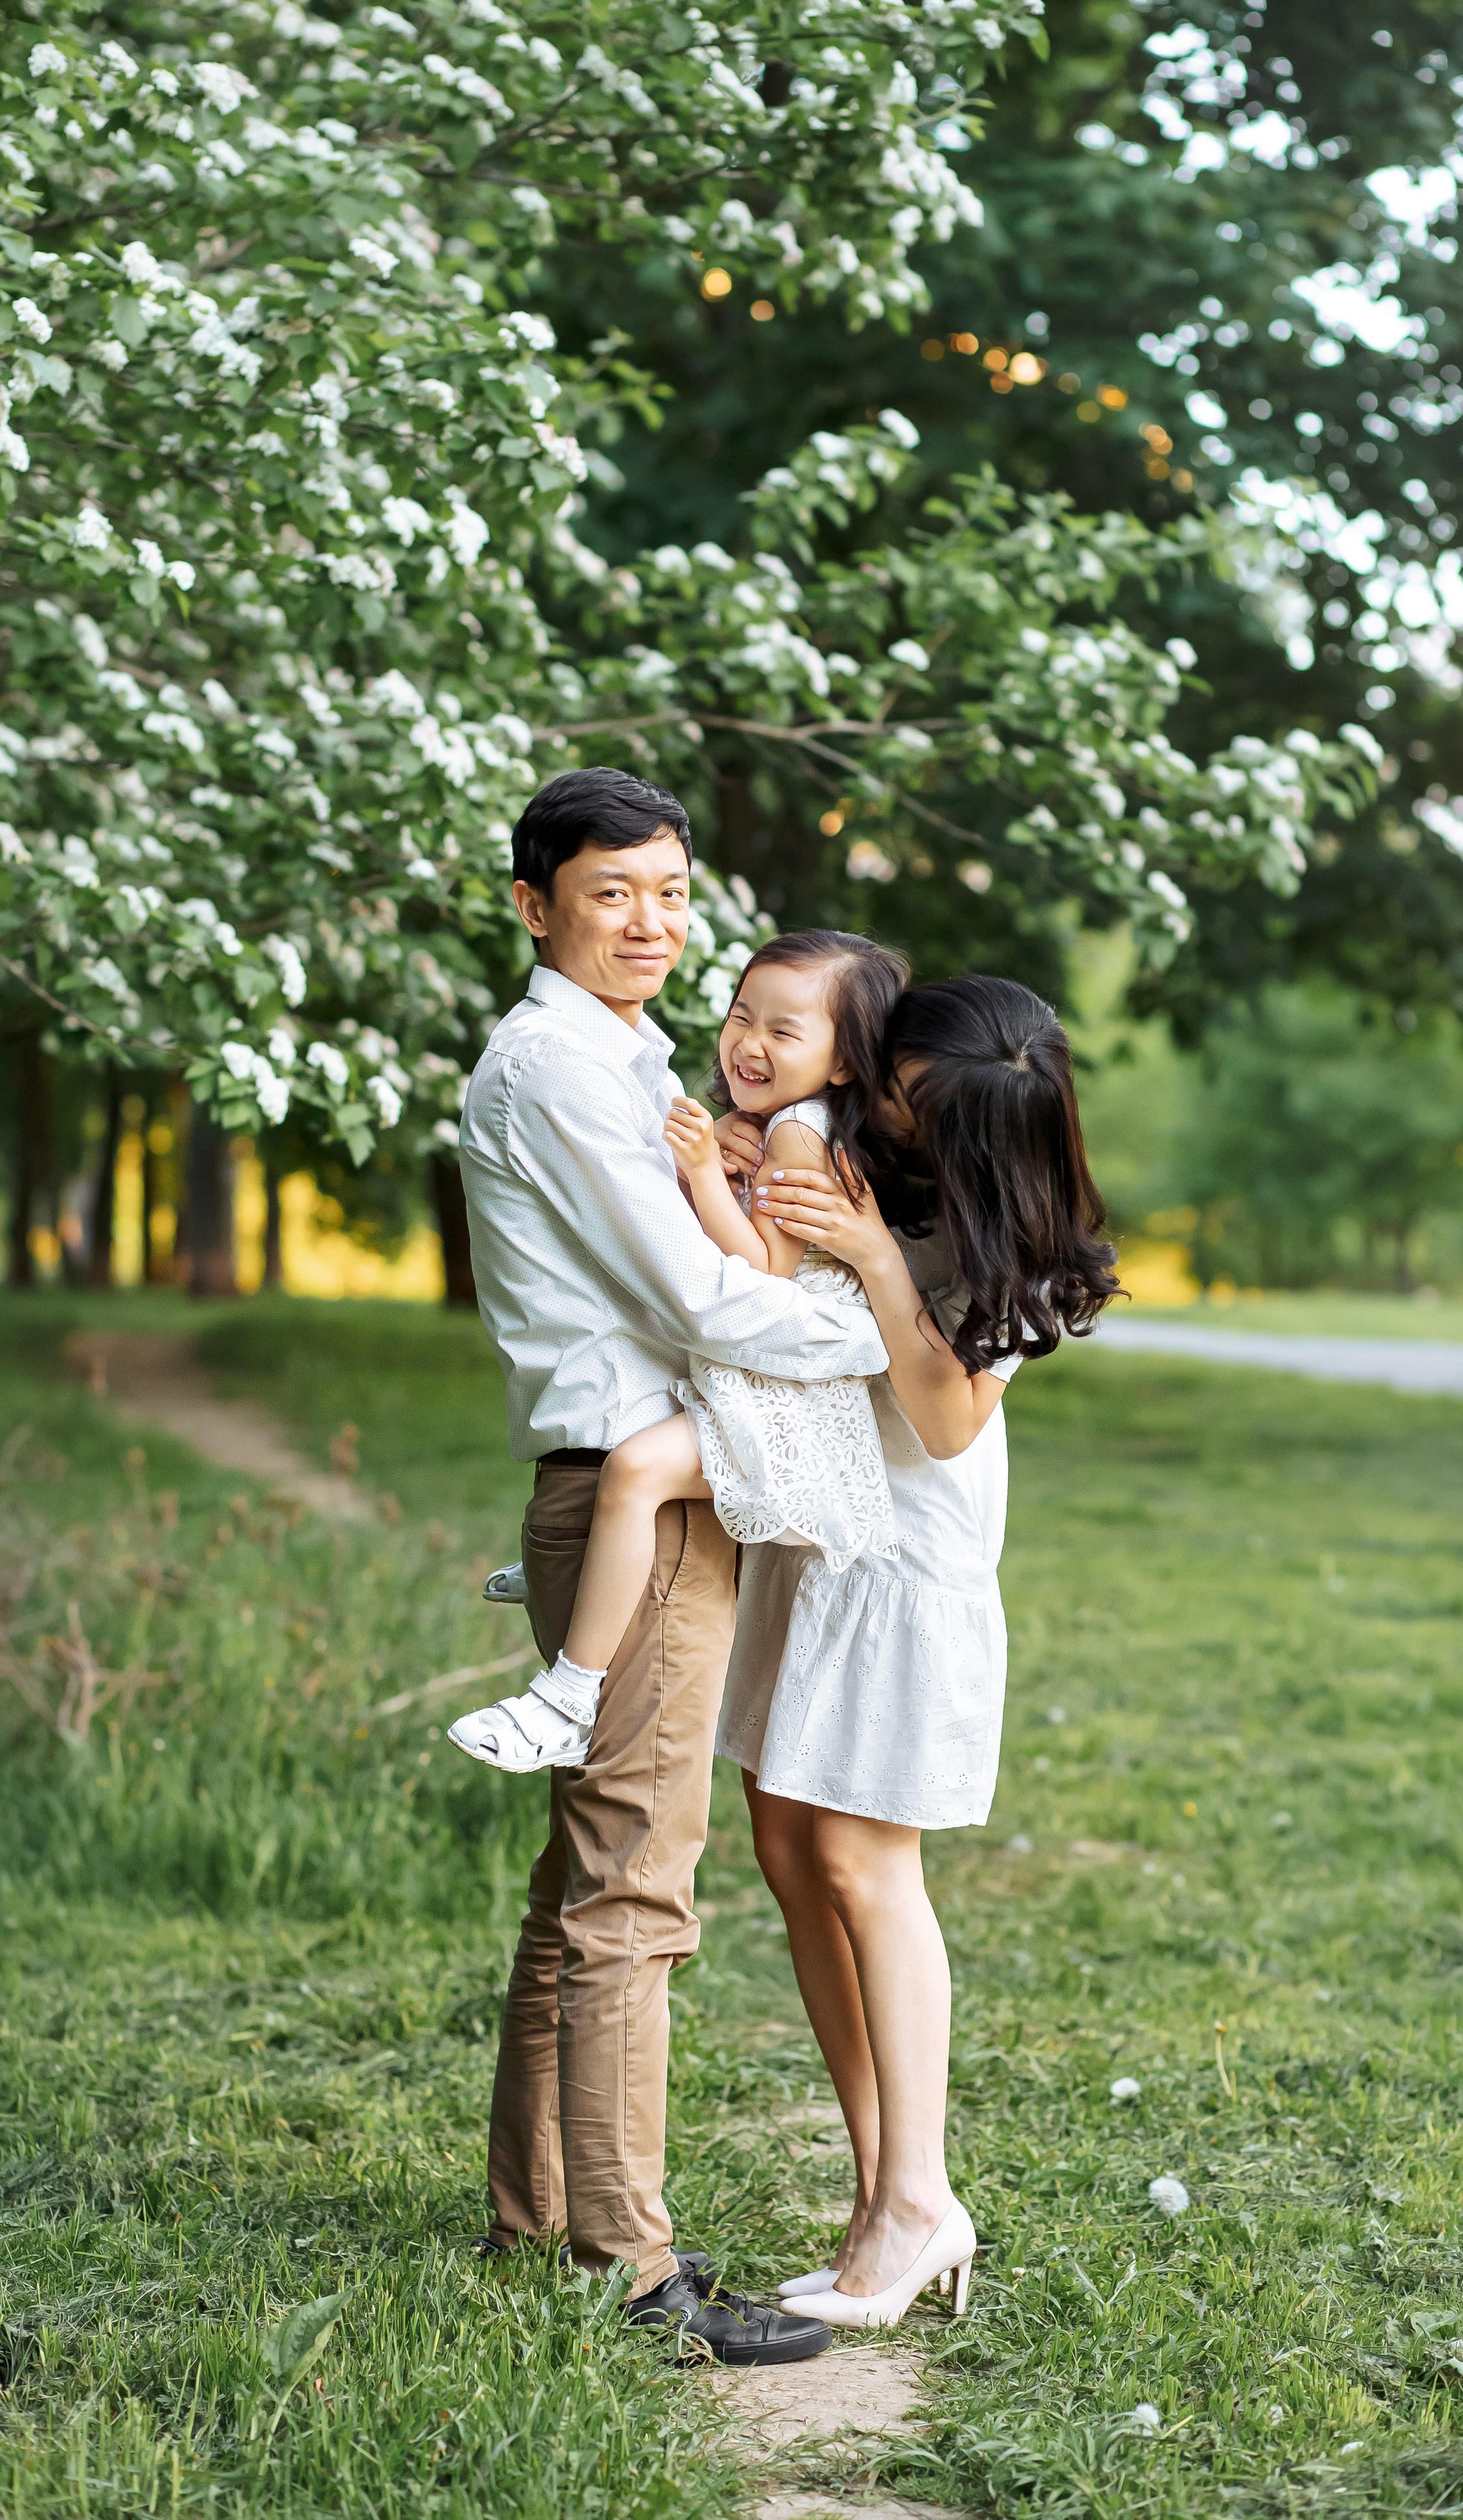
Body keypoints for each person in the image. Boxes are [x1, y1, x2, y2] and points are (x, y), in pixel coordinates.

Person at [451, 765, 889, 2367]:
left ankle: (536, 2219)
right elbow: (706, 1307)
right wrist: (874, 1333)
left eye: (666, 895)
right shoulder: (558, 1067)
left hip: (648, 1486)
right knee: (635, 1888)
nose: (647, 925)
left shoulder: (632, 1055)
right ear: (533, 906)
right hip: (628, 1487)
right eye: (607, 895)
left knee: (584, 1885)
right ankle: (635, 2268)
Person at [717, 975, 1120, 2329]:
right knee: (782, 1844)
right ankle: (879, 2189)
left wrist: (880, 1258)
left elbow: (945, 1423)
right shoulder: (854, 1145)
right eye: (890, 1083)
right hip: (810, 1534)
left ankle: (920, 2196)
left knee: (859, 1856)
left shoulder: (1023, 1243)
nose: (884, 1112)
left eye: (909, 1109)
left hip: (903, 1563)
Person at [452, 929, 906, 1774]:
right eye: (742, 1016)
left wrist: (700, 1174)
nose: (750, 1043)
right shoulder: (773, 1123)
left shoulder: (802, 1131)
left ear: (844, 1061)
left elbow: (763, 1266)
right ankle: (595, 1581)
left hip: (795, 1388)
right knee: (634, 1472)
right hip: (762, 1373)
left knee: (634, 1472)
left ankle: (568, 1695)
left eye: (785, 1030)